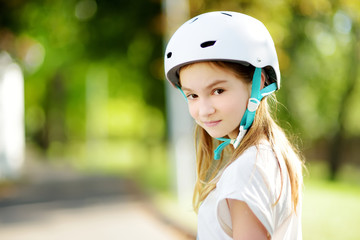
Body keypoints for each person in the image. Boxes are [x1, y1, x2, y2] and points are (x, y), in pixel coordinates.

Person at [164, 11, 304, 240]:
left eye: (217, 90)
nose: (204, 110)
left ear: (257, 82)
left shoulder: (246, 171)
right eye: (192, 96)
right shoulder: (268, 155)